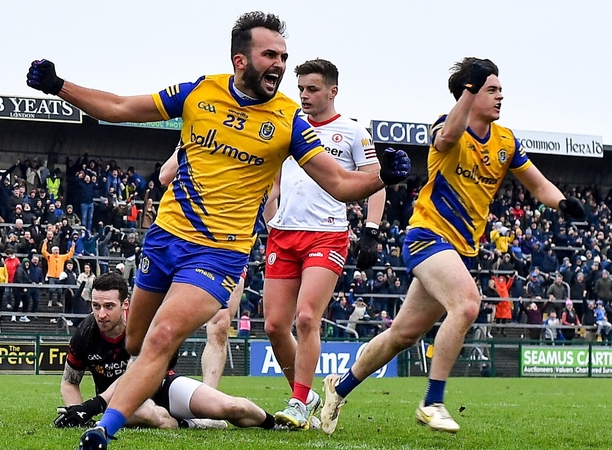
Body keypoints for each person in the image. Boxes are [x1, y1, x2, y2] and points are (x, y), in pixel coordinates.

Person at [27, 11, 410, 448]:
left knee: (163, 335)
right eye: (271, 54)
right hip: (166, 237)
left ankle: (103, 430)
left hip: (218, 253)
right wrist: (60, 87)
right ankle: (169, 397)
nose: (281, 64)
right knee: (136, 342)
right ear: (240, 60)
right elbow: (119, 107)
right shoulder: (199, 92)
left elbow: (341, 184)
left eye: (284, 56)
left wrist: (383, 177)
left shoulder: (288, 119)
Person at [319, 57, 584, 435]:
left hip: (458, 249)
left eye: (499, 90)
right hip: (427, 236)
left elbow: (537, 184)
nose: (500, 97)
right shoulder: (446, 127)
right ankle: (432, 401)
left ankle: (338, 387)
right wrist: (469, 90)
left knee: (403, 335)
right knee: (467, 304)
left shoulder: (506, 141)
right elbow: (446, 138)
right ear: (470, 94)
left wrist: (563, 203)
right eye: (491, 90)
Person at [261, 58, 386, 430]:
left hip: (326, 233)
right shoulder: (288, 127)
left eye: (312, 89)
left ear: (332, 91)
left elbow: (377, 181)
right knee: (273, 326)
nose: (304, 95)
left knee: (306, 317)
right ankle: (308, 395)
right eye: (300, 88)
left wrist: (372, 230)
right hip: (283, 234)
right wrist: (269, 216)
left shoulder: (351, 132)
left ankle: (298, 403)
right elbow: (274, 182)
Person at [55, 273, 274, 432]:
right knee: (143, 412)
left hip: (163, 387)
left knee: (233, 406)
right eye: (96, 306)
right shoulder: (84, 334)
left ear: (125, 304)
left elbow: (132, 377)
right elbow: (69, 382)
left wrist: (91, 407)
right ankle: (187, 424)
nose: (101, 314)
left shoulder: (142, 326)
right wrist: (77, 412)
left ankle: (275, 423)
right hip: (122, 403)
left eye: (109, 306)